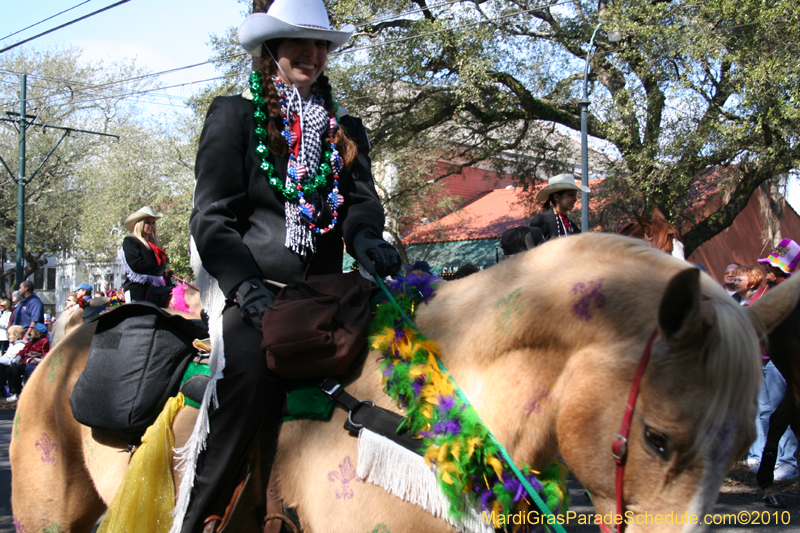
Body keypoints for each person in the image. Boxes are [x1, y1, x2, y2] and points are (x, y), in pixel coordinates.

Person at [185, 1, 401, 529]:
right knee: (250, 378)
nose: (312, 53)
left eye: (321, 43)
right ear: (273, 51)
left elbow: (359, 206)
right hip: (253, 296)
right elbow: (212, 219)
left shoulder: (345, 129)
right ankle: (196, 517)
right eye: (300, 43)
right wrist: (245, 287)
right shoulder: (233, 116)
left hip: (329, 297)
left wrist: (369, 240)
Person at [743, 239, 800, 481]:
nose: (768, 270)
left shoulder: (788, 293)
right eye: (768, 266)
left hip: (777, 359)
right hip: (765, 356)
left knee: (784, 407)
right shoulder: (766, 290)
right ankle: (770, 465)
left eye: (773, 267)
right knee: (770, 410)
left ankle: (785, 463)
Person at [121, 206, 173, 307]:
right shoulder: (130, 241)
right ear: (139, 224)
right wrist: (161, 270)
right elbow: (136, 265)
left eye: (153, 222)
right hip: (138, 287)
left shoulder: (154, 244)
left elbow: (160, 266)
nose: (151, 225)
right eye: (147, 222)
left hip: (158, 287)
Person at [529, 173, 589, 240]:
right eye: (570, 195)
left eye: (575, 195)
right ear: (556, 197)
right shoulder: (541, 221)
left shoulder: (572, 226)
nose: (575, 199)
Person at [6, 323, 50, 402]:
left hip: (36, 364)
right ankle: (15, 392)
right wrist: (19, 355)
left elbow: (48, 354)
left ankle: (19, 392)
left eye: (32, 332)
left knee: (15, 370)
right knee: (10, 370)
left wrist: (38, 355)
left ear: (37, 333)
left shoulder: (44, 342)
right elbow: (23, 351)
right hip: (26, 362)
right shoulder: (31, 342)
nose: (30, 333)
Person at [0, 325, 26, 400]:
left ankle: (14, 391)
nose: (9, 336)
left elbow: (12, 359)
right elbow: (6, 356)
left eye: (10, 334)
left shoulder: (20, 345)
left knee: (10, 370)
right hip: (8, 363)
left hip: (15, 365)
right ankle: (2, 388)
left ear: (17, 336)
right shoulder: (11, 345)